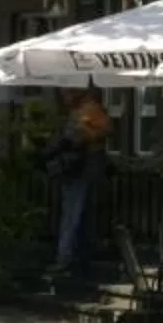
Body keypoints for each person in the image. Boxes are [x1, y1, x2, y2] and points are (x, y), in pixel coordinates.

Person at [44, 89, 114, 278]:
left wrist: (82, 134)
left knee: (74, 213)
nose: (64, 98)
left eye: (66, 94)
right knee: (75, 212)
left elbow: (102, 131)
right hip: (77, 170)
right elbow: (103, 131)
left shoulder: (87, 111)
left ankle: (70, 255)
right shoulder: (80, 112)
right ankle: (71, 254)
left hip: (78, 170)